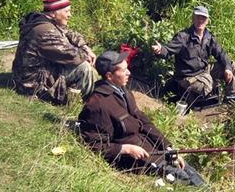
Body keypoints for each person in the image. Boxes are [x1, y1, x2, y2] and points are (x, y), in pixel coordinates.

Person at [78, 51, 207, 187]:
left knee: (191, 172)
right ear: (109, 76)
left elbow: (143, 121)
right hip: (137, 161)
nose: (129, 73)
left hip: (153, 149)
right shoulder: (98, 106)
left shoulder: (124, 91)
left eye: (127, 68)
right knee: (188, 184)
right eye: (124, 70)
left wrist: (167, 148)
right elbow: (94, 145)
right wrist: (125, 149)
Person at [12, 0, 97, 105]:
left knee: (80, 62)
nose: (69, 15)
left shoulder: (41, 21)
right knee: (84, 68)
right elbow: (73, 55)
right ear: (53, 13)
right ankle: (93, 105)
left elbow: (70, 33)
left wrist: (85, 47)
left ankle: (81, 98)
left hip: (27, 76)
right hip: (32, 84)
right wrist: (86, 54)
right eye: (66, 11)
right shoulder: (46, 31)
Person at [151, 6, 235, 102]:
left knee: (231, 65)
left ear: (207, 21)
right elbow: (168, 50)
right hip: (188, 75)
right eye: (198, 17)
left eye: (203, 18)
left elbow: (222, 55)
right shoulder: (183, 37)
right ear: (193, 19)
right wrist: (160, 50)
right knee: (207, 86)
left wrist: (227, 68)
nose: (200, 20)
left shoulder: (209, 38)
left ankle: (233, 100)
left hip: (204, 70)